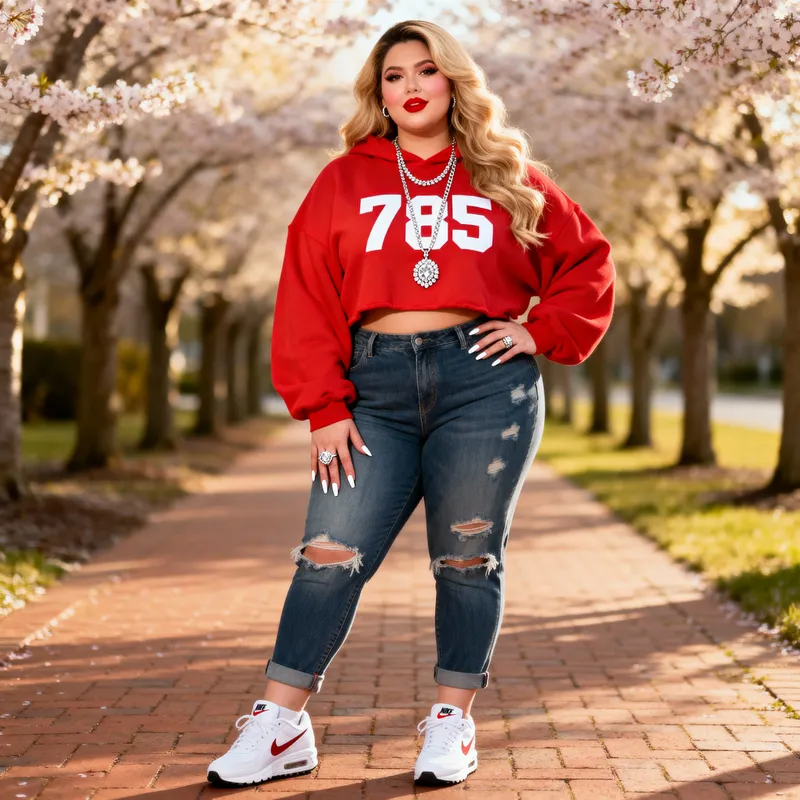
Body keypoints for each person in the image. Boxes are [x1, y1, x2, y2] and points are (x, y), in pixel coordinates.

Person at [207, 18, 615, 790]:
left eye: (425, 71)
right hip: (373, 389)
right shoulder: (344, 180)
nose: (410, 88)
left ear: (453, 80)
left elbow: (587, 262)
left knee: (466, 557)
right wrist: (323, 405)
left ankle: (451, 726)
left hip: (484, 383)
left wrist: (542, 331)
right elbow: (305, 292)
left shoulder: (505, 173)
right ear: (379, 92)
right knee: (330, 552)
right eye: (394, 76)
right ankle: (281, 725)